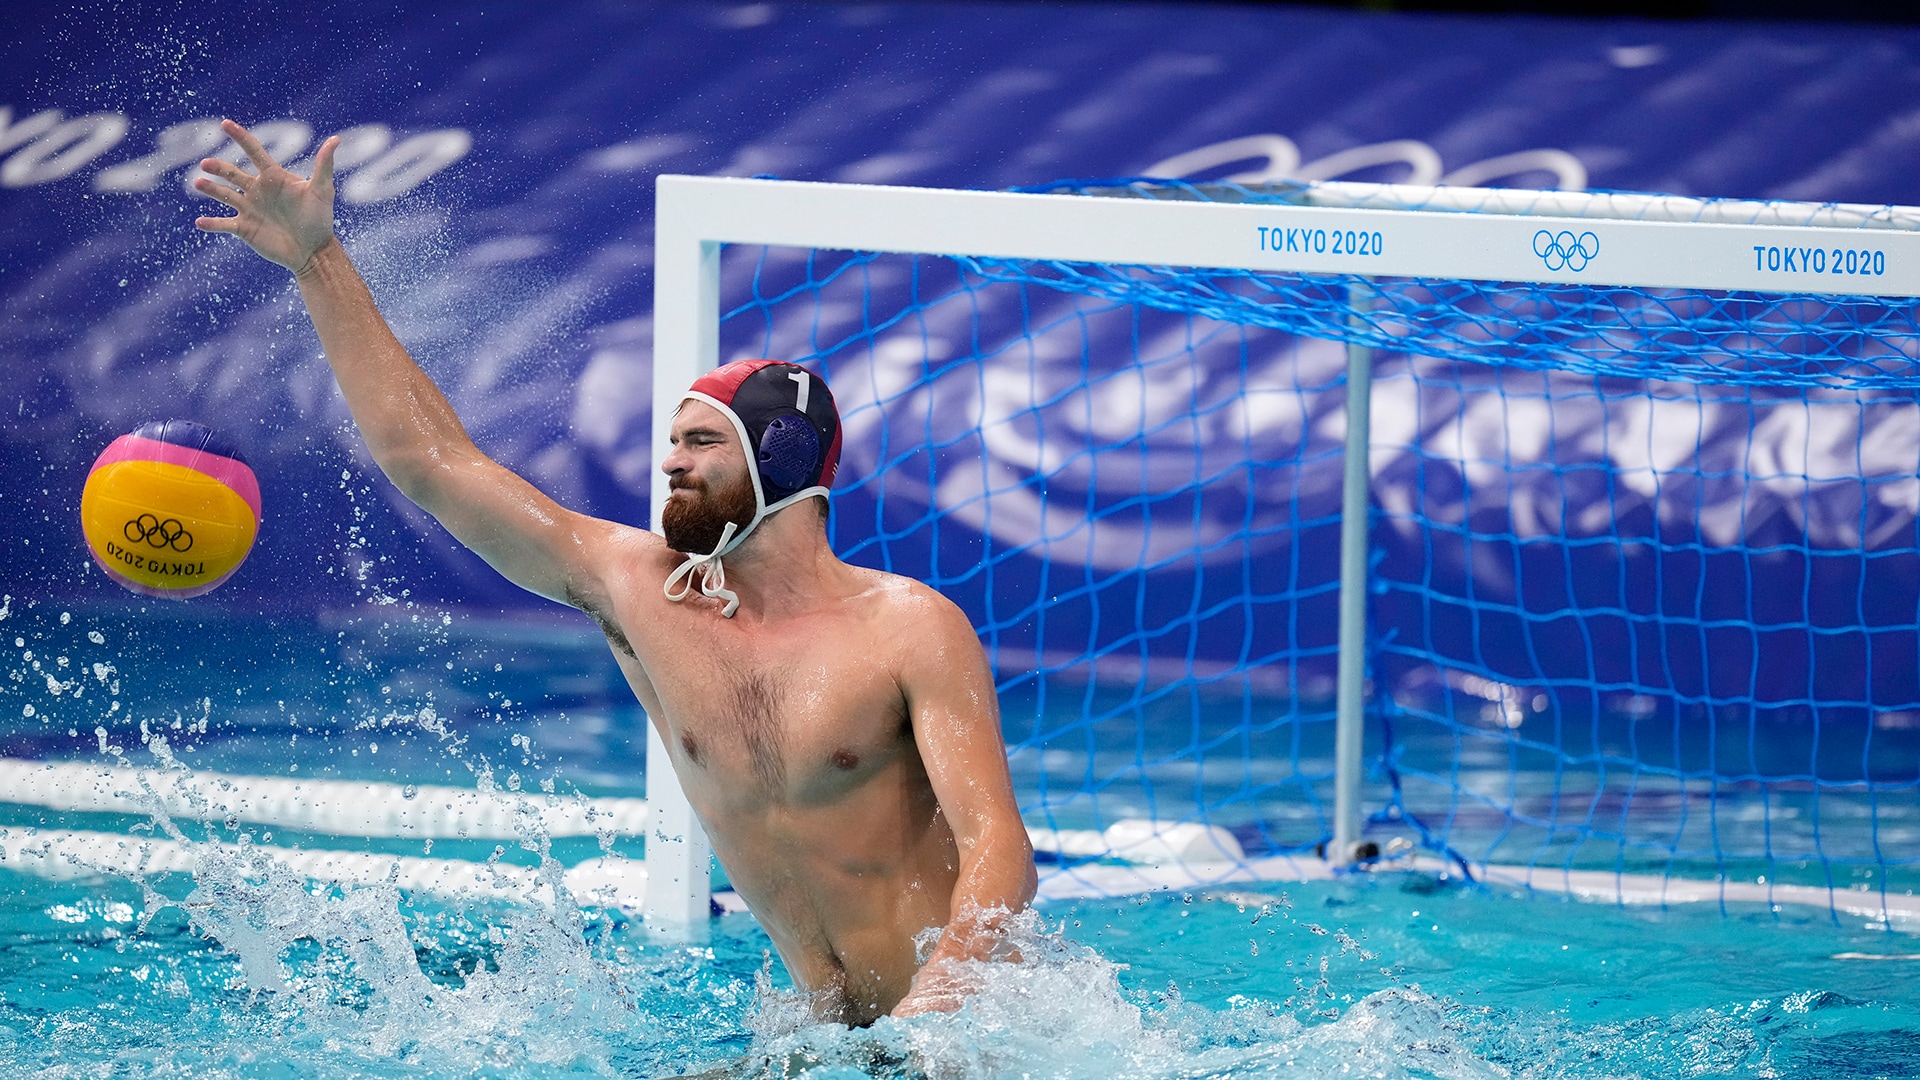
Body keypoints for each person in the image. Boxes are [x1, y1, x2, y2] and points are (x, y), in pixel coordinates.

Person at [192, 120, 1036, 1026]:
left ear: (782, 461)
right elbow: (433, 465)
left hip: (968, 1026)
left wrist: (944, 998)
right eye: (670, 441)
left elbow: (1000, 850)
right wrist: (318, 260)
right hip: (819, 1035)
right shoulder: (639, 590)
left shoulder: (906, 627)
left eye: (702, 442)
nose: (671, 462)